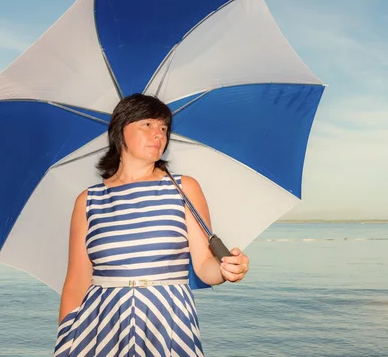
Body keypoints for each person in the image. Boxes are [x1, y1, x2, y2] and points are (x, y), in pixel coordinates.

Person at [54, 94, 250, 357]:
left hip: (169, 321)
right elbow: (76, 282)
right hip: (100, 326)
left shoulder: (183, 188)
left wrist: (227, 269)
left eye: (163, 128)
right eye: (147, 125)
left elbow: (204, 267)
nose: (158, 134)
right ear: (119, 131)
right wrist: (66, 341)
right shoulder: (88, 200)